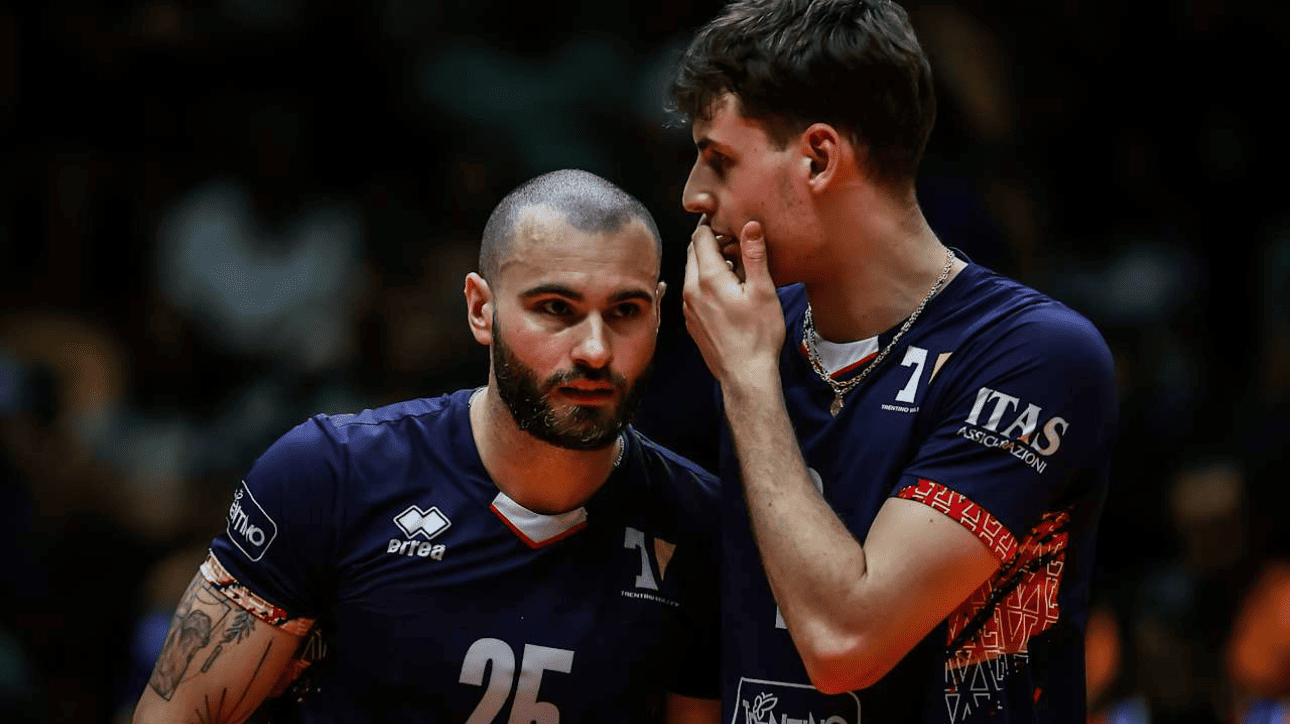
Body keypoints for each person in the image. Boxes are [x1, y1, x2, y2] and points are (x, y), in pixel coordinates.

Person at [131, 169, 722, 724]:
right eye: (555, 308)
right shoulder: (332, 473)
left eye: (625, 311)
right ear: (481, 309)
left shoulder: (700, 522)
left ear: (658, 314)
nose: (595, 349)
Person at [666, 1, 1119, 722]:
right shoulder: (749, 325)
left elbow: (846, 642)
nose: (693, 193)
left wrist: (749, 382)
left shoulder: (1035, 354)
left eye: (719, 159)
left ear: (819, 158)